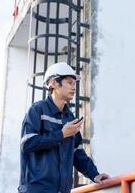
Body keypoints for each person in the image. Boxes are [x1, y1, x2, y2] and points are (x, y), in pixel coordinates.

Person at [18, 62, 109, 193]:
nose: (74, 87)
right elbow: (27, 144)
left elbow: (77, 153)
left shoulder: (69, 118)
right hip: (37, 189)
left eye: (74, 83)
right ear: (54, 83)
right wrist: (61, 134)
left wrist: (94, 175)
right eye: (69, 82)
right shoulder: (37, 110)